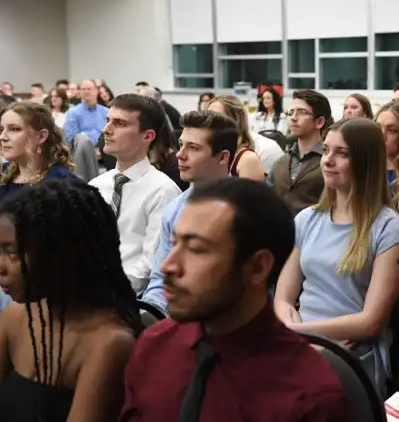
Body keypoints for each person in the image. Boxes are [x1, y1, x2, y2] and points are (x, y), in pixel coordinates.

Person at [119, 178, 350, 421]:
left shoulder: (308, 397)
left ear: (257, 267)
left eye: (196, 249)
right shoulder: (154, 346)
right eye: (175, 243)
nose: (168, 265)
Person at [274, 118, 399, 395]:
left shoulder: (390, 228)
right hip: (300, 345)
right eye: (326, 150)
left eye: (342, 153)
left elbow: (370, 321)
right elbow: (283, 298)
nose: (327, 161)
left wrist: (303, 334)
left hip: (352, 358)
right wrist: (297, 333)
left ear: (366, 162)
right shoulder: (308, 219)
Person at [0, 179, 142, 422]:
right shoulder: (14, 318)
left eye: (12, 252)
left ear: (59, 252)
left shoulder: (110, 343)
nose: (1, 266)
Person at [140, 110, 239, 312]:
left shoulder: (245, 211)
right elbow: (160, 278)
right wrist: (149, 314)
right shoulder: (175, 208)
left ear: (222, 157)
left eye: (193, 148)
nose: (180, 154)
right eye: (181, 144)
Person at [90, 94, 181, 292]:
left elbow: (150, 266)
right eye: (108, 121)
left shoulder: (162, 191)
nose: (107, 129)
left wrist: (104, 289)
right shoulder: (95, 186)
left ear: (147, 136)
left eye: (120, 123)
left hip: (132, 298)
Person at [267, 90, 332, 215]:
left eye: (302, 112)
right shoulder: (281, 162)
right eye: (291, 112)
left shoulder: (329, 160)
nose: (293, 117)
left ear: (319, 122)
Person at [0, 102, 75, 200]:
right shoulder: (3, 173)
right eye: (1, 130)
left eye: (14, 129)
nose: (2, 137)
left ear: (41, 136)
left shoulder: (62, 184)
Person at [63, 80, 109, 146]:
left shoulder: (106, 112)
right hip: (83, 152)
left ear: (97, 91)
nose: (86, 91)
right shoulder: (73, 113)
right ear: (79, 92)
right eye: (83, 89)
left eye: (89, 89)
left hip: (105, 150)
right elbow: (71, 139)